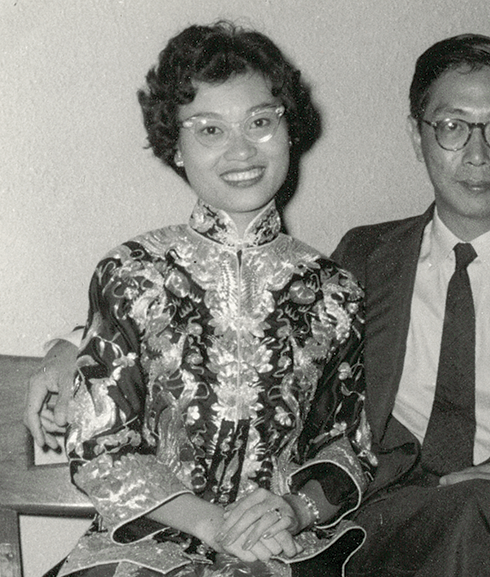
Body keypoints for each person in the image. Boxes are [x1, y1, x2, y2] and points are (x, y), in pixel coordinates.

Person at [27, 33, 490, 577]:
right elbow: (225, 323)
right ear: (418, 137)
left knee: (480, 507)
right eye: (450, 127)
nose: (476, 153)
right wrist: (71, 349)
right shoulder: (361, 260)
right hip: (370, 536)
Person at [38, 21, 375, 577]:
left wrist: (294, 509)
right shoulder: (133, 274)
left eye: (261, 123)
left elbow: (349, 448)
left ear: (290, 130)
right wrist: (211, 524)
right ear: (175, 146)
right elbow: (103, 450)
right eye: (210, 130)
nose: (241, 149)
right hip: (148, 545)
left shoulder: (336, 293)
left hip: (285, 549)